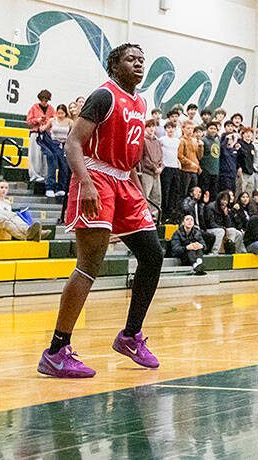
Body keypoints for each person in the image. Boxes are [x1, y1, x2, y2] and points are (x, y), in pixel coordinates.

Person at [39, 44, 165, 379]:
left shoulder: (139, 102)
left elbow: (131, 156)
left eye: (142, 59)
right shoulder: (103, 96)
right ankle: (56, 350)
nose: (138, 63)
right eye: (131, 59)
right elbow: (73, 143)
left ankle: (130, 336)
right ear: (114, 65)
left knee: (153, 255)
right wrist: (86, 182)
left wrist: (137, 191)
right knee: (89, 266)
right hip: (95, 176)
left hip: (124, 181)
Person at [43, 104, 73, 198]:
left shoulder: (70, 122)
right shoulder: (52, 120)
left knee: (63, 167)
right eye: (58, 113)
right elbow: (45, 129)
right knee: (52, 166)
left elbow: (72, 133)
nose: (60, 115)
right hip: (53, 144)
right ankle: (50, 187)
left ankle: (61, 188)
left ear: (65, 113)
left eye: (62, 113)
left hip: (64, 144)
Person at [157, 119, 182, 224]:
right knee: (165, 191)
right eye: (168, 128)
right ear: (165, 129)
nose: (170, 130)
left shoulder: (177, 141)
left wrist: (178, 162)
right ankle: (164, 214)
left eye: (172, 128)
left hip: (175, 167)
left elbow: (175, 153)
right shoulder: (162, 139)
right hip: (165, 167)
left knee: (174, 192)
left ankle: (172, 214)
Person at [139, 117, 164, 222]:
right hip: (147, 173)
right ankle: (145, 219)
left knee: (157, 197)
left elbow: (161, 157)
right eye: (149, 127)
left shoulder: (157, 141)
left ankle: (155, 220)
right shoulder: (143, 140)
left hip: (157, 174)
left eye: (153, 126)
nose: (151, 129)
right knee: (146, 197)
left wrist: (160, 167)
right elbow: (144, 159)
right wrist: (154, 168)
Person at [179, 121, 202, 202]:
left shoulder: (194, 141)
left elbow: (199, 156)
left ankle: (192, 212)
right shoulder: (181, 140)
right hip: (185, 171)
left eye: (192, 128)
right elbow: (180, 156)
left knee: (194, 194)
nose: (190, 130)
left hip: (194, 171)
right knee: (184, 193)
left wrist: (201, 147)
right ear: (183, 129)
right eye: (188, 128)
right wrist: (191, 163)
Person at [199, 121, 221, 197]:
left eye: (215, 128)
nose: (213, 130)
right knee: (204, 193)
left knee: (213, 193)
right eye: (211, 128)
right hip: (205, 171)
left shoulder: (217, 141)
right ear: (207, 129)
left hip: (215, 171)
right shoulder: (203, 140)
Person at [218, 121, 240, 197]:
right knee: (225, 194)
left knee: (232, 194)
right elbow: (221, 149)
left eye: (232, 126)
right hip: (224, 175)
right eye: (228, 126)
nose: (230, 127)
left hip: (232, 175)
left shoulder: (234, 149)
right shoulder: (223, 146)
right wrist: (226, 140)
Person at [236, 126, 257, 198]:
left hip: (250, 172)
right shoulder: (239, 144)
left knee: (249, 193)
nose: (249, 135)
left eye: (250, 133)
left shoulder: (252, 146)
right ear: (243, 134)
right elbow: (237, 157)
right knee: (240, 192)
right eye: (247, 133)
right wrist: (238, 167)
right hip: (242, 172)